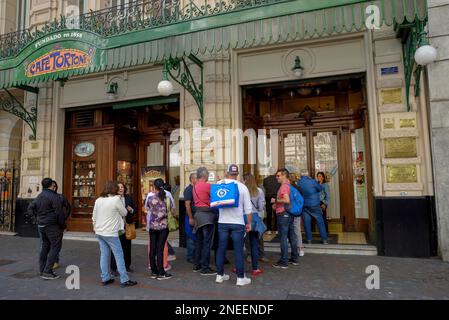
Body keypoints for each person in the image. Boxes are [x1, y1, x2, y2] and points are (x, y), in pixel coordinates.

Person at [92, 181, 137, 287]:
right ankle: (124, 280)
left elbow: (94, 215)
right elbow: (124, 213)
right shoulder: (116, 199)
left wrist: (95, 227)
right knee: (119, 255)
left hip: (99, 231)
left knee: (104, 255)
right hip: (111, 232)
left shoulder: (99, 200)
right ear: (114, 189)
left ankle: (105, 278)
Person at [215, 164, 253, 286]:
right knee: (238, 250)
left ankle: (219, 276)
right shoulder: (242, 187)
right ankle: (240, 278)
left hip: (222, 222)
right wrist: (249, 224)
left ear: (227, 173)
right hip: (238, 223)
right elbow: (248, 209)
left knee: (221, 249)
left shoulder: (219, 184)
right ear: (237, 174)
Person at [28, 177, 65, 280]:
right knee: (55, 247)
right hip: (52, 226)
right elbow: (59, 213)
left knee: (45, 247)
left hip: (42, 226)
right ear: (51, 186)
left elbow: (30, 208)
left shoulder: (39, 196)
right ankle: (48, 271)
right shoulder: (54, 196)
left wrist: (36, 219)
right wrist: (62, 225)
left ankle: (42, 269)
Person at [271, 168, 299, 269]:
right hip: (289, 213)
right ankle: (294, 258)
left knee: (283, 238)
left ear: (284, 176)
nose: (276, 177)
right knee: (292, 236)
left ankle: (284, 261)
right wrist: (276, 204)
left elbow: (286, 200)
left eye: (278, 176)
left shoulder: (283, 186)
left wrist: (275, 200)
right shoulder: (289, 186)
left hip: (283, 214)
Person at [146, 178, 173, 280]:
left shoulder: (149, 198)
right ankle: (161, 272)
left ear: (154, 187)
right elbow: (171, 209)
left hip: (152, 226)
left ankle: (154, 271)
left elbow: (147, 209)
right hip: (163, 226)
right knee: (160, 249)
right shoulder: (167, 197)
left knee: (152, 248)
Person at [192, 167, 217, 276]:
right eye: (208, 175)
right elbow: (216, 197)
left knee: (199, 242)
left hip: (198, 216)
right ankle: (205, 267)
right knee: (207, 243)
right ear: (205, 175)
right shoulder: (208, 186)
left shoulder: (195, 186)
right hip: (207, 216)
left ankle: (197, 265)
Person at [110, 183, 137, 275]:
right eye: (118, 187)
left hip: (127, 226)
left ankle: (127, 266)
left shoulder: (129, 198)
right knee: (115, 247)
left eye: (122, 187)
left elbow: (135, 210)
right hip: (116, 226)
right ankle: (114, 268)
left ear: (124, 189)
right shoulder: (113, 199)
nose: (121, 189)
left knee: (127, 247)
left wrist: (131, 210)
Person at [243, 173, 266, 276]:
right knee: (254, 243)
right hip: (255, 217)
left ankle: (237, 266)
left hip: (242, 217)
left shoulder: (242, 191)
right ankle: (255, 268)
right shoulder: (259, 191)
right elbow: (261, 207)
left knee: (239, 243)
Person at [297, 170, 328, 244]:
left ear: (301, 175)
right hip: (314, 204)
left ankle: (309, 240)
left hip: (305, 205)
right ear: (307, 175)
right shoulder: (312, 181)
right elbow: (320, 188)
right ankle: (324, 239)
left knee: (307, 222)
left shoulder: (299, 182)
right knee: (320, 221)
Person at [50, 180, 71, 270]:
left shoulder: (60, 197)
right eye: (52, 186)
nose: (53, 188)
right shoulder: (45, 197)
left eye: (55, 186)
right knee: (48, 244)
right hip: (48, 224)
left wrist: (64, 217)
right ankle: (49, 261)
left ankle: (55, 261)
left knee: (56, 244)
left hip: (58, 224)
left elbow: (68, 207)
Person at [288, 175, 305, 257]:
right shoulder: (299, 188)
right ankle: (300, 249)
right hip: (297, 212)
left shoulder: (288, 188)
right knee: (297, 230)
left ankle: (292, 248)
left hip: (289, 212)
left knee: (288, 230)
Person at [184, 173, 197, 263]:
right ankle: (190, 256)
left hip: (196, 216)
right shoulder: (189, 190)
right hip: (190, 216)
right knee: (191, 238)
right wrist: (190, 218)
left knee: (195, 237)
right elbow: (187, 205)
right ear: (192, 179)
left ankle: (195, 255)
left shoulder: (196, 189)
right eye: (197, 178)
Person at [263, 167, 280, 234]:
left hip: (268, 198)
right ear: (275, 172)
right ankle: (276, 229)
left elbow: (265, 187)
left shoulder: (265, 180)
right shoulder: (278, 179)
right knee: (276, 214)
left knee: (269, 214)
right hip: (276, 198)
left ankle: (269, 229)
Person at [163, 183, 177, 262]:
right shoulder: (169, 194)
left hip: (162, 220)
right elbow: (173, 207)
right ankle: (167, 253)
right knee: (163, 237)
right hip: (167, 219)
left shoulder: (166, 194)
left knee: (162, 238)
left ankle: (170, 253)